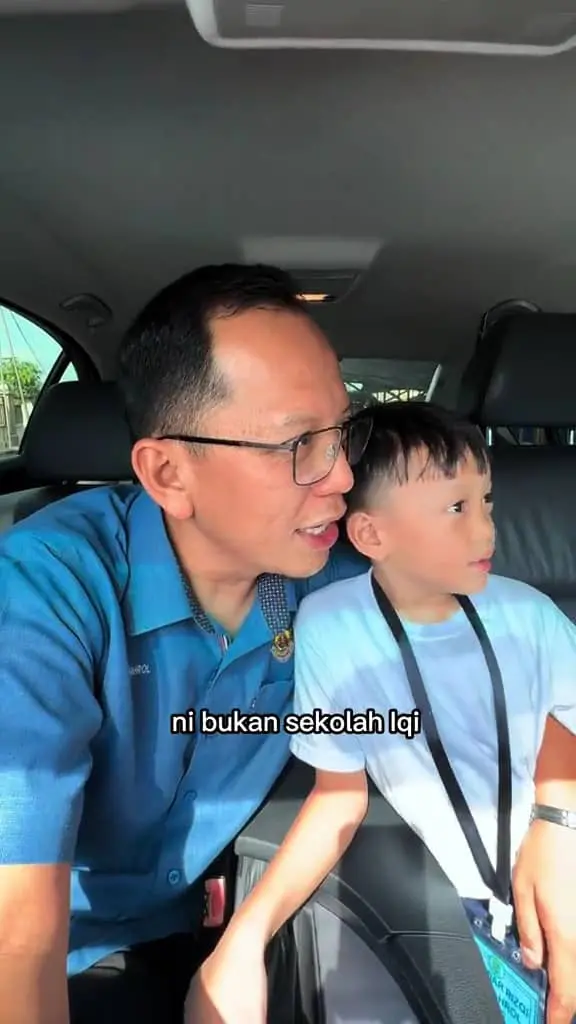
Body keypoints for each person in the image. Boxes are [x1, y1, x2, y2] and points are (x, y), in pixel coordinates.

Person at [0, 265, 574, 1024]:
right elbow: (18, 932)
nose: (341, 476)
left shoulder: (338, 573)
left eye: (344, 432)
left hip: (196, 926)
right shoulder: (45, 593)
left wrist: (556, 820)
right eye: (299, 443)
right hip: (58, 945)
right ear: (169, 472)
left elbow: (522, 658)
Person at [192, 399, 576, 1024]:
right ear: (371, 535)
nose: (485, 532)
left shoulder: (527, 613)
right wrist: (244, 938)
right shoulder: (332, 625)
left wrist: (558, 826)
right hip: (458, 912)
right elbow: (337, 795)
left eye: (487, 503)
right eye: (456, 509)